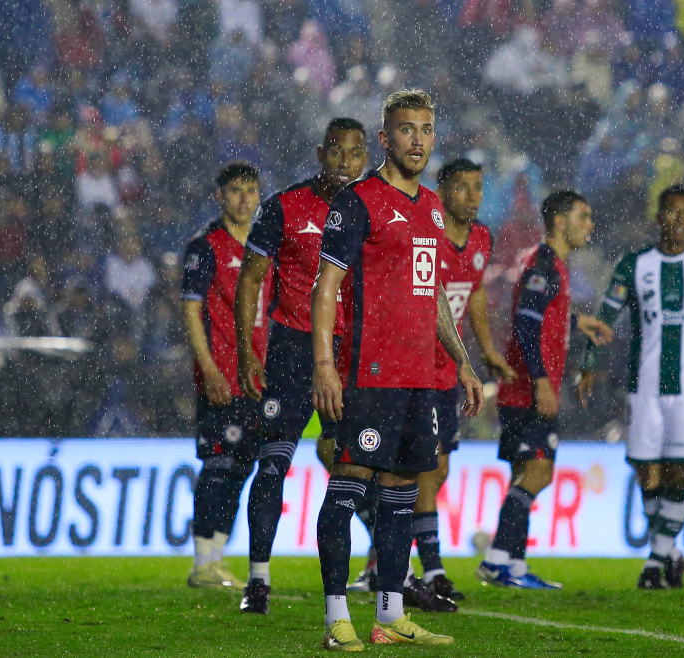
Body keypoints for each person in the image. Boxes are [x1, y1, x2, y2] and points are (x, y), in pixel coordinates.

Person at [311, 89, 484, 650]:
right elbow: (326, 287)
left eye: (427, 130)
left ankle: (389, 615)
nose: (418, 140)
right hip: (369, 374)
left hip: (420, 379)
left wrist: (461, 361)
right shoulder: (358, 202)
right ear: (385, 138)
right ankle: (337, 617)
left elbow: (430, 292)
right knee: (348, 486)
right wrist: (324, 367)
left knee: (402, 494)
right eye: (407, 130)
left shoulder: (433, 207)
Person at [578, 185, 684, 590]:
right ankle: (670, 552)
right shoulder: (634, 265)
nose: (680, 220)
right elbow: (606, 316)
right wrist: (589, 364)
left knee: (678, 472)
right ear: (658, 218)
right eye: (672, 212)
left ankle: (655, 562)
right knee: (647, 473)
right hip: (644, 387)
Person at [233, 117, 368, 614]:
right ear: (320, 152)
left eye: (355, 154)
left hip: (349, 354)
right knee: (272, 465)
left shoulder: (373, 210)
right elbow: (250, 281)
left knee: (354, 464)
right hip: (291, 351)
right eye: (336, 151)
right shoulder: (284, 207)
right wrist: (249, 351)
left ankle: (378, 566)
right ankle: (258, 581)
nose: (346, 162)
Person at [476, 190, 612, 589]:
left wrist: (575, 321)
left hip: (524, 388)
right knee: (539, 471)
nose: (589, 225)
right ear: (559, 221)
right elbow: (525, 323)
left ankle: (513, 566)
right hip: (527, 390)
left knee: (526, 471)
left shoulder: (553, 267)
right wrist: (541, 383)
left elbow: (543, 316)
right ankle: (498, 558)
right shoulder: (544, 265)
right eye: (582, 216)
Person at [413, 157, 516, 600]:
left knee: (438, 467)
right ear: (442, 190)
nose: (473, 196)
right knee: (422, 469)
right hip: (413, 367)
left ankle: (398, 560)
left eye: (478, 187)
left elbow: (472, 291)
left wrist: (488, 350)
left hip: (447, 371)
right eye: (462, 188)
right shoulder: (425, 233)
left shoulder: (480, 237)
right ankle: (431, 571)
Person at [180, 162, 272, 590]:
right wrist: (210, 369)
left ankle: (215, 559)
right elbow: (191, 311)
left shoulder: (266, 247)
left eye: (250, 191)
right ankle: (202, 561)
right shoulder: (205, 247)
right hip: (223, 376)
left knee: (241, 467)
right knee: (218, 465)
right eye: (235, 190)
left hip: (259, 378)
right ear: (220, 196)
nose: (243, 199)